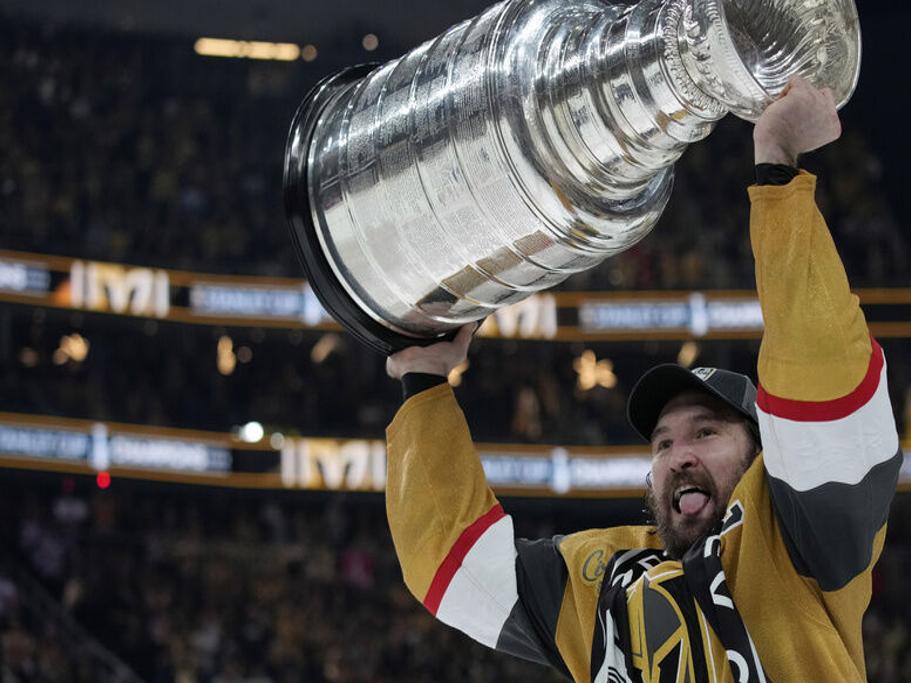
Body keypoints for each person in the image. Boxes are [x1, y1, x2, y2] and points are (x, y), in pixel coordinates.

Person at [383, 78, 902, 682]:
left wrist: (777, 169)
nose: (678, 455)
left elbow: (823, 382)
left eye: (706, 432)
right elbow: (457, 566)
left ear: (764, 452)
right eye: (662, 443)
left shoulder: (804, 539)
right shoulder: (603, 575)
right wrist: (421, 382)